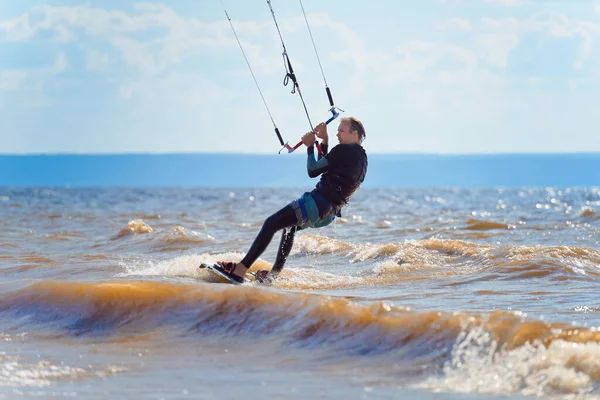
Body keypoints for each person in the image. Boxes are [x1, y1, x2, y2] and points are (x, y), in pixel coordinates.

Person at [213, 116, 368, 283]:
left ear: (354, 133)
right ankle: (273, 275)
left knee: (270, 223)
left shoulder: (343, 150)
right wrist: (324, 140)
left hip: (315, 205)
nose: (337, 134)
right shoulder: (361, 158)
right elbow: (327, 166)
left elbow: (313, 170)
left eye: (341, 131)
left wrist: (309, 147)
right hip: (327, 214)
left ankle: (240, 269)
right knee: (289, 228)